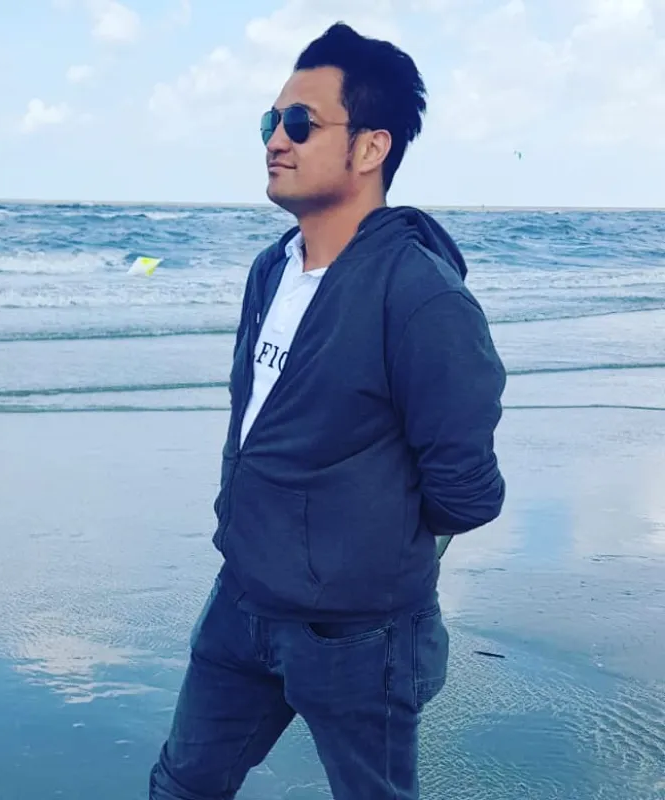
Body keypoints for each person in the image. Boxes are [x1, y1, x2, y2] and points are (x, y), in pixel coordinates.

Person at [149, 21, 506, 800]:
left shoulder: (423, 298)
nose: (277, 139)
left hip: (357, 635)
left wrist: (356, 558)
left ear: (371, 147)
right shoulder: (270, 269)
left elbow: (467, 492)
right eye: (270, 122)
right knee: (182, 784)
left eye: (301, 122)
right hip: (242, 598)